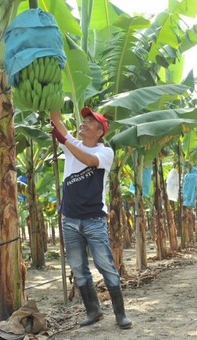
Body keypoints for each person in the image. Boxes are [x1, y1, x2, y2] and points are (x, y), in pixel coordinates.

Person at [50, 107, 133, 329]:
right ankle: (93, 311)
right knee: (78, 267)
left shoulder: (106, 152)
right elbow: (56, 120)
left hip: (94, 219)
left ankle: (120, 314)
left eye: (89, 122)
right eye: (84, 120)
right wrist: (52, 102)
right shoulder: (72, 145)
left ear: (99, 132)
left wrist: (65, 141)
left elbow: (89, 160)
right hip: (70, 218)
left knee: (105, 264)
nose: (84, 123)